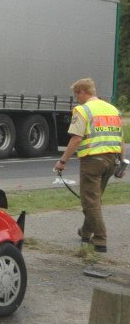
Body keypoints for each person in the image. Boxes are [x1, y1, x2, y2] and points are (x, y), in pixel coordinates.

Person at [53, 78, 124, 253]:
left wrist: (62, 161)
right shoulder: (112, 109)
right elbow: (121, 138)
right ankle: (86, 232)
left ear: (81, 92)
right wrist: (122, 162)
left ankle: (100, 240)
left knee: (90, 202)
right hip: (111, 160)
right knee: (95, 199)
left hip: (92, 162)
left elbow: (76, 138)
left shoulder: (82, 110)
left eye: (76, 95)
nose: (76, 99)